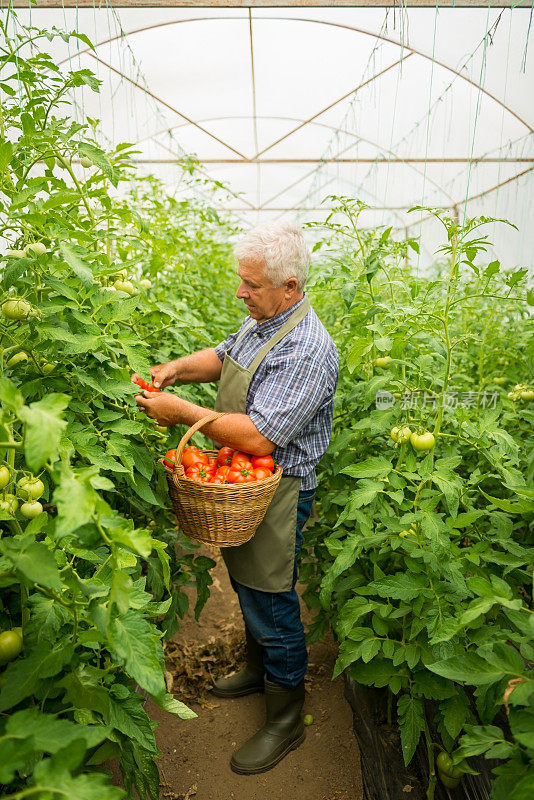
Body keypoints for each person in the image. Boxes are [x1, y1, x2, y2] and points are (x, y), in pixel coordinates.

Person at [134, 220, 339, 774]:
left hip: (277, 489)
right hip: (241, 482)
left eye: (251, 284)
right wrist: (177, 370)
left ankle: (286, 716)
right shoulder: (265, 319)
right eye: (240, 281)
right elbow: (224, 357)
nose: (240, 292)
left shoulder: (308, 349)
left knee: (272, 597)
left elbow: (260, 436)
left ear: (290, 286)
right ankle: (257, 668)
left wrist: (181, 414)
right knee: (246, 581)